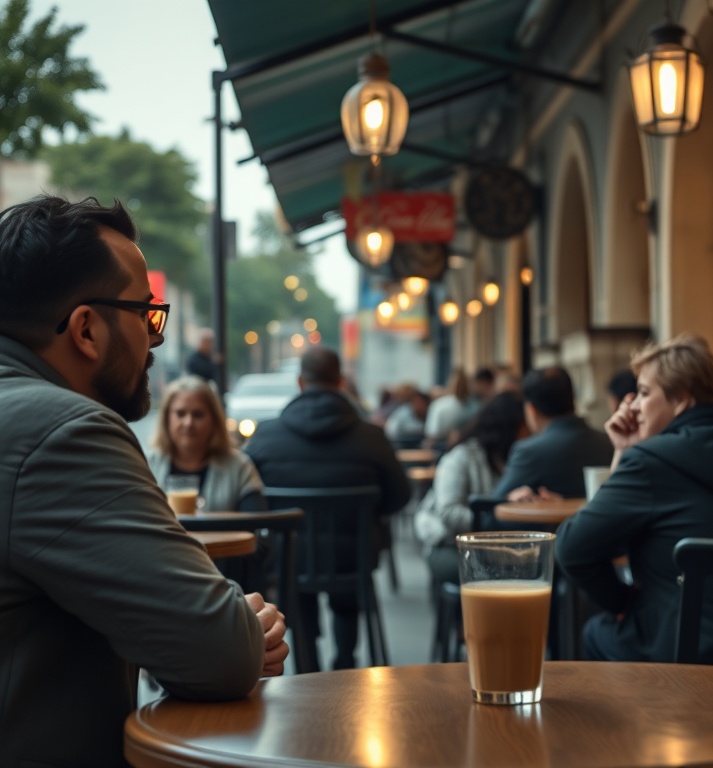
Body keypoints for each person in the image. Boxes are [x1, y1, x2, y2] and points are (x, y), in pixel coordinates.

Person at [0, 195, 287, 768]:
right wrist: (237, 629)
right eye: (144, 314)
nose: (155, 340)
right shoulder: (62, 433)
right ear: (86, 330)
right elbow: (219, 652)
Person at [557, 335, 713, 663]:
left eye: (644, 393)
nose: (633, 406)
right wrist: (626, 450)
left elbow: (572, 547)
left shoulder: (652, 461)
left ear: (681, 400)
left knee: (596, 631)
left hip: (679, 652)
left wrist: (623, 603)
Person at [245, 346, 412, 670]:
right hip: (354, 561)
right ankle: (345, 660)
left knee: (296, 572)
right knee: (345, 575)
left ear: (300, 382)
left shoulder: (266, 436)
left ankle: (307, 664)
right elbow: (400, 497)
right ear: (340, 382)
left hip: (291, 561)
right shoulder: (372, 437)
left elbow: (253, 500)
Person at [414, 391, 529, 586]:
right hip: (448, 544)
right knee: (498, 574)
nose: (529, 435)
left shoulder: (512, 460)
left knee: (532, 568)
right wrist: (493, 518)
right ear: (508, 429)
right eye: (524, 428)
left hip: (495, 548)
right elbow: (449, 513)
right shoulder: (460, 457)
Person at [491, 366, 614, 500]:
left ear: (531, 409)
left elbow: (493, 505)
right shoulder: (609, 442)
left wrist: (510, 498)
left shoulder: (529, 452)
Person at [147, 375, 266, 512]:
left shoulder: (240, 467)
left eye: (198, 414)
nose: (188, 423)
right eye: (180, 414)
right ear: (166, 419)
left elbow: (255, 520)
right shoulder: (146, 465)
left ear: (214, 420)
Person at [423, 367, 476, 450]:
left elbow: (432, 434)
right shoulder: (477, 405)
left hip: (442, 448)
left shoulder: (439, 405)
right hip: (470, 447)